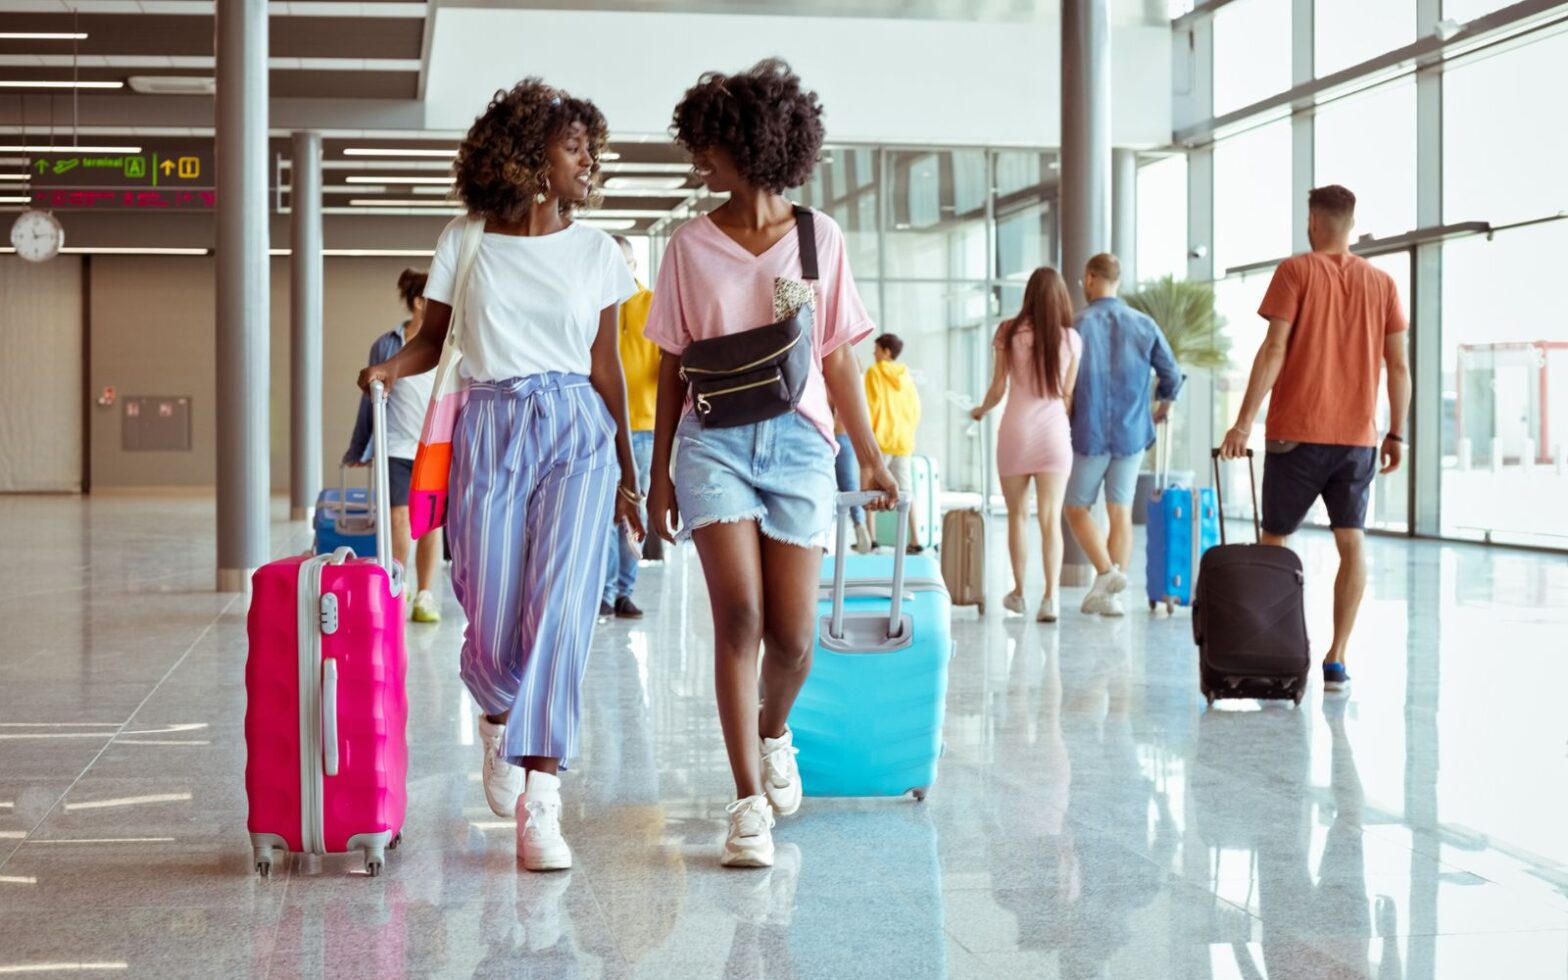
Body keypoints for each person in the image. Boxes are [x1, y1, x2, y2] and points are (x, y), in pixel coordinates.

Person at [357, 79, 644, 872]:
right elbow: (432, 338)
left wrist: (629, 472)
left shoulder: (598, 251)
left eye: (592, 149)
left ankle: (543, 802)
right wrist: (386, 371)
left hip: (577, 431)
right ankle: (494, 711)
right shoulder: (466, 239)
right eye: (575, 147)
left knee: (562, 608)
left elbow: (607, 366)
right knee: (486, 606)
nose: (590, 162)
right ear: (528, 154)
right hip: (489, 423)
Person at [644, 59, 898, 869]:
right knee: (741, 619)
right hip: (711, 443)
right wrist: (656, 475)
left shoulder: (819, 240)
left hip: (798, 446)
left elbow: (834, 360)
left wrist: (872, 456)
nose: (698, 162)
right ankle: (746, 800)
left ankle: (774, 730)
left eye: (709, 145)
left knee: (793, 641)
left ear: (751, 144)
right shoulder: (688, 246)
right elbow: (671, 368)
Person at [1219, 184, 1408, 695]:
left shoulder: (1296, 271)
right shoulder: (1383, 283)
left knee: (1274, 542)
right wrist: (1397, 434)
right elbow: (1399, 366)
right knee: (1352, 541)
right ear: (1349, 223)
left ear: (1315, 223)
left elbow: (1274, 348)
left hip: (1296, 435)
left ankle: (1273, 647)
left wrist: (1242, 422)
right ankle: (1337, 659)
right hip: (1356, 440)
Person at [1064, 252, 1182, 617]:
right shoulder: (1144, 324)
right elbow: (1171, 374)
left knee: (1076, 508)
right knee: (1120, 513)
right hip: (1132, 434)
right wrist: (1162, 405)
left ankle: (1106, 574)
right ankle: (1112, 596)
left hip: (1089, 431)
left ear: (1090, 278)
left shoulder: (1077, 325)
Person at [971, 267, 1081, 623]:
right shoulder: (1071, 339)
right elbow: (1066, 397)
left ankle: (1019, 593)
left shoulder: (1008, 331)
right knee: (1050, 519)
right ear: (1061, 297)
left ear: (1029, 294)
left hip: (1016, 432)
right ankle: (1050, 599)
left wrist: (980, 410)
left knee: (1017, 517)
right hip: (1053, 434)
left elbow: (998, 387)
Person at [343, 269, 444, 623]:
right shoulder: (387, 344)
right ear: (419, 303)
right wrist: (359, 447)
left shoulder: (449, 344)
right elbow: (368, 400)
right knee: (399, 520)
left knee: (431, 524)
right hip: (396, 447)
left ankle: (426, 594)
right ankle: (400, 588)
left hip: (434, 449)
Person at [600, 235, 658, 620]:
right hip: (601, 428)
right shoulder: (594, 304)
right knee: (603, 515)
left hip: (643, 427)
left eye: (625, 263)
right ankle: (602, 593)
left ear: (634, 266)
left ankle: (625, 590)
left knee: (634, 514)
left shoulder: (653, 304)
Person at [864, 333, 925, 554]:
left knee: (869, 488)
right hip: (903, 441)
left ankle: (871, 539)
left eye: (877, 349)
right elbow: (915, 408)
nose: (874, 353)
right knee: (906, 491)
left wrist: (868, 438)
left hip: (881, 440)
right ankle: (916, 540)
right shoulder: (905, 376)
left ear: (887, 351)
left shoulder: (874, 372)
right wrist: (907, 432)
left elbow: (871, 406)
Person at [831, 401, 873, 554]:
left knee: (824, 487)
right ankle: (860, 525)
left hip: (828, 435)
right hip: (845, 436)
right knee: (849, 486)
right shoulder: (853, 386)